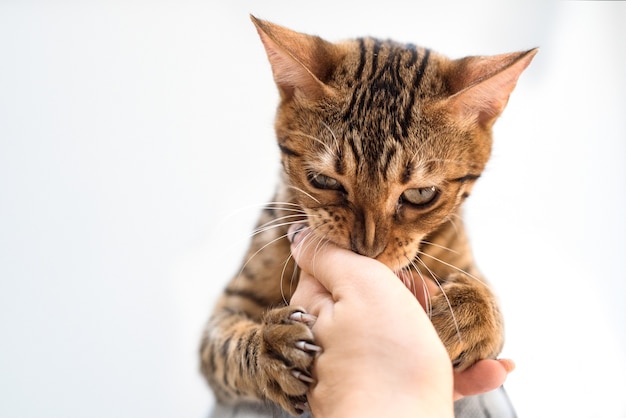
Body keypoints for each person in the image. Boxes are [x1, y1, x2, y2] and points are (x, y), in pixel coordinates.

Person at [288, 223, 515, 418]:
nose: (370, 245)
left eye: (420, 194)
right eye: (325, 180)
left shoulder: (447, 232)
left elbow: (485, 329)